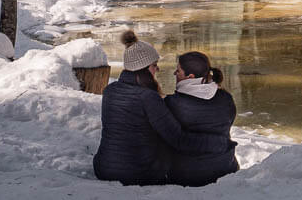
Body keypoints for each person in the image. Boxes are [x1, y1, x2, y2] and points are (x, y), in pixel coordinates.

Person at [93, 31, 225, 185]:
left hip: (103, 168)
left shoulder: (110, 90)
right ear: (143, 68)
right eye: (154, 65)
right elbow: (178, 139)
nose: (157, 69)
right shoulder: (148, 97)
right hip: (138, 173)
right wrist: (217, 142)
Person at [164, 51, 239, 186]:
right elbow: (229, 122)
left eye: (178, 71)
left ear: (190, 76)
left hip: (185, 175)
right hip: (225, 167)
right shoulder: (226, 98)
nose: (175, 73)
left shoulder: (172, 103)